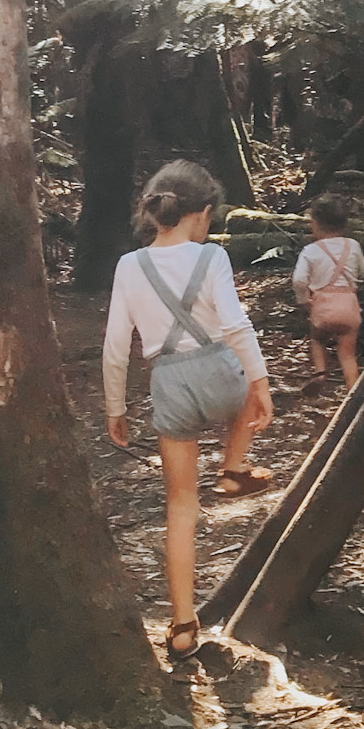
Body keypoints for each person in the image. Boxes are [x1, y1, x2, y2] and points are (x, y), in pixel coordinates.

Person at [103, 160, 274, 666]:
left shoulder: (130, 266)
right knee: (241, 392)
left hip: (171, 385)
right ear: (200, 215)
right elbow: (236, 325)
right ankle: (234, 468)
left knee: (180, 507)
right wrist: (261, 384)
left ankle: (181, 627)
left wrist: (116, 406)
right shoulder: (213, 256)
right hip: (222, 375)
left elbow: (116, 346)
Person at [292, 195, 364, 391]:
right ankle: (352, 389)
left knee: (317, 338)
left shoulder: (310, 250)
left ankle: (320, 372)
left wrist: (304, 300)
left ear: (315, 223)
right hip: (348, 307)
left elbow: (299, 280)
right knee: (348, 353)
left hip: (322, 307)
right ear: (345, 223)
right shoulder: (353, 246)